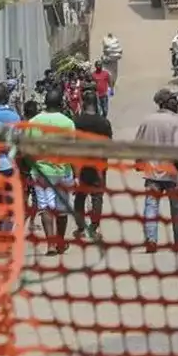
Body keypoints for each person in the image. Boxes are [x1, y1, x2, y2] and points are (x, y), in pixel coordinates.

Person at [24, 87, 77, 256]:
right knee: (61, 209)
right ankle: (60, 243)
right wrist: (75, 174)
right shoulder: (67, 122)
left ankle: (51, 245)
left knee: (45, 207)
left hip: (40, 171)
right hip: (62, 171)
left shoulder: (33, 122)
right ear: (61, 103)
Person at [136, 90, 178, 251]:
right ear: (165, 103)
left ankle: (151, 239)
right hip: (172, 174)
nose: (177, 103)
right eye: (173, 100)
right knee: (177, 207)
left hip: (152, 173)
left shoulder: (148, 121)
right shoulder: (176, 122)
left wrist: (139, 162)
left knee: (151, 206)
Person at [72, 90, 113, 243]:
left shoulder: (76, 121)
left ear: (83, 103)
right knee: (97, 197)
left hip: (80, 163)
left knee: (80, 196)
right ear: (96, 103)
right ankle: (94, 228)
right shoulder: (103, 122)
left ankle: (81, 227)